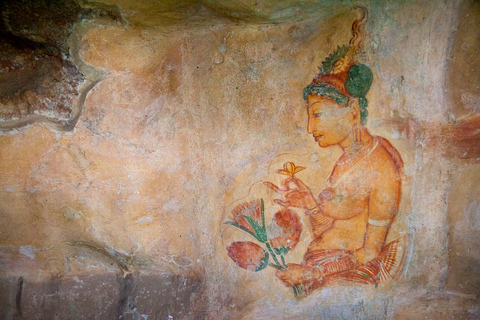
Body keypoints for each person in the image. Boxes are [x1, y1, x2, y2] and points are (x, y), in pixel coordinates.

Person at [264, 16, 405, 293]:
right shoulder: (349, 158)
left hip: (343, 283)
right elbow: (334, 230)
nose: (309, 128)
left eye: (317, 115)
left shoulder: (382, 169)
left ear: (352, 111)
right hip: (320, 270)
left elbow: (369, 254)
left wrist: (312, 273)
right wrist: (310, 204)